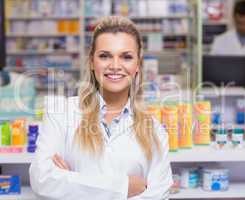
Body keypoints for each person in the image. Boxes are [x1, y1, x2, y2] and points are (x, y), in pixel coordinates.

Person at [29, 16, 173, 200]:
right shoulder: (61, 112)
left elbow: (158, 195)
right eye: (105, 56)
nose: (115, 66)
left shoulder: (155, 131)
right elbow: (42, 180)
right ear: (91, 61)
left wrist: (71, 181)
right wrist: (124, 187)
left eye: (126, 57)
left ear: (137, 65)